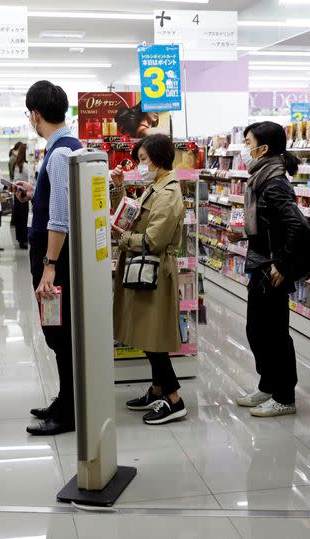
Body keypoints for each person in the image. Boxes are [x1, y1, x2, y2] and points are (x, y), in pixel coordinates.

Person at [13, 80, 82, 436]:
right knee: (59, 329)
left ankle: (69, 411)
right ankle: (65, 399)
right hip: (58, 254)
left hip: (54, 256)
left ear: (36, 115)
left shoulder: (57, 155)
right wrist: (33, 192)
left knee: (58, 331)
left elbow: (61, 218)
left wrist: (49, 267)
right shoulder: (70, 147)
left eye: (29, 114)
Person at [231, 121, 308, 418]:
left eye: (248, 141)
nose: (244, 148)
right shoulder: (262, 178)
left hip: (272, 267)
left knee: (274, 332)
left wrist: (283, 263)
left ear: (262, 148)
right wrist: (247, 235)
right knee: (258, 329)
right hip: (262, 261)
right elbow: (272, 225)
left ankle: (285, 395)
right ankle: (268, 384)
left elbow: (296, 228)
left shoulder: (274, 183)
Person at [110, 135, 187, 425]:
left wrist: (123, 238)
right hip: (144, 267)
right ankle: (157, 390)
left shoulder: (168, 193)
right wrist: (118, 189)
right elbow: (130, 216)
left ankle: (174, 399)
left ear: (156, 158)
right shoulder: (155, 187)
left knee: (153, 338)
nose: (140, 165)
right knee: (146, 332)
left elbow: (154, 240)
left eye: (142, 159)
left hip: (154, 270)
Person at [10, 143, 33, 249]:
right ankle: (24, 239)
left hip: (17, 192)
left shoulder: (17, 164)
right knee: (23, 217)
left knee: (19, 217)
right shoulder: (26, 166)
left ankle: (20, 239)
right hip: (24, 193)